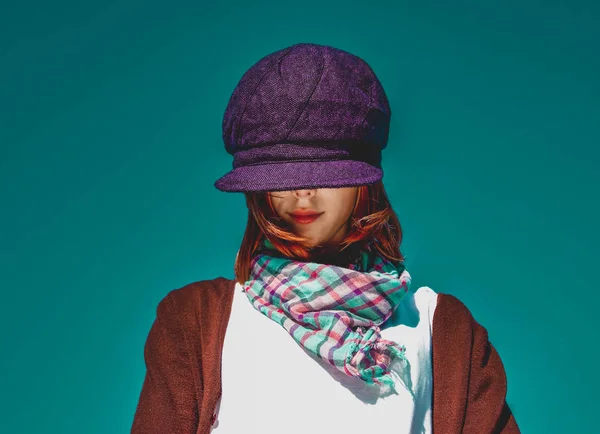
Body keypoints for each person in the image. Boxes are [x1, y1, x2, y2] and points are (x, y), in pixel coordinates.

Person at [131, 43, 520, 433]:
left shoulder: (443, 331)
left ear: (364, 182)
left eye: (324, 173)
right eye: (284, 176)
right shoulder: (196, 322)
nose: (304, 192)